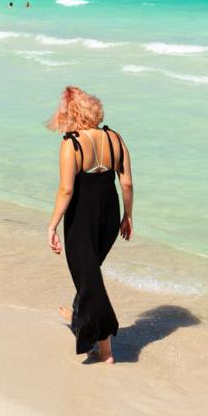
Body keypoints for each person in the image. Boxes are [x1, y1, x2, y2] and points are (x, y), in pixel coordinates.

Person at [46, 86, 133, 364]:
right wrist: (128, 215)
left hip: (82, 217)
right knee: (89, 274)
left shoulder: (70, 143)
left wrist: (53, 224)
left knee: (88, 277)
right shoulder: (115, 138)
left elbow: (66, 190)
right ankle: (80, 316)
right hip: (109, 214)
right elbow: (127, 182)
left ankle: (105, 349)